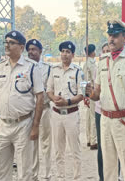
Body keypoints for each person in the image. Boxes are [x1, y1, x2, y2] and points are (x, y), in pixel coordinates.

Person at [86, 20, 125, 181]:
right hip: (105, 120)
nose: (111, 39)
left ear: (124, 37)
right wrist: (89, 93)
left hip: (124, 120)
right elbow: (97, 93)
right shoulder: (102, 61)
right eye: (110, 35)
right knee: (109, 166)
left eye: (115, 36)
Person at [0, 30, 44, 181]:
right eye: (6, 42)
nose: (7, 46)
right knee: (0, 170)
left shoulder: (31, 68)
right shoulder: (0, 68)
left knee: (25, 171)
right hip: (3, 125)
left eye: (11, 43)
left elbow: (39, 98)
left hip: (23, 125)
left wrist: (35, 126)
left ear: (21, 47)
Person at [46, 41, 84, 180]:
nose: (64, 54)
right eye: (62, 51)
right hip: (56, 115)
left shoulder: (78, 72)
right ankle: (61, 177)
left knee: (75, 150)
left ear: (73, 54)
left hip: (71, 114)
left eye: (68, 52)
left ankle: (76, 177)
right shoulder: (54, 70)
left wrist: (67, 101)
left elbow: (82, 94)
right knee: (58, 150)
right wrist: (53, 98)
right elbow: (48, 89)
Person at [26, 39, 52, 181]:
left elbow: (50, 89)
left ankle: (46, 175)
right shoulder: (23, 68)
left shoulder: (48, 68)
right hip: (29, 112)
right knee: (31, 145)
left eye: (34, 49)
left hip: (45, 111)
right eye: (29, 49)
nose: (31, 52)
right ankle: (34, 176)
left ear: (40, 52)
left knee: (46, 144)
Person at [95, 43, 110, 181]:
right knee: (101, 146)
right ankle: (102, 177)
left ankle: (114, 175)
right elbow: (95, 92)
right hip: (100, 111)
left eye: (108, 51)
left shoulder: (118, 66)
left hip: (115, 113)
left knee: (115, 146)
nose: (106, 54)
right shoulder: (98, 68)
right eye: (103, 51)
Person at [83, 44, 98, 150]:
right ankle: (93, 141)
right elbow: (94, 78)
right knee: (93, 117)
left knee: (89, 116)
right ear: (93, 52)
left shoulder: (85, 63)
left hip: (87, 91)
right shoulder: (91, 63)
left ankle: (89, 139)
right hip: (92, 90)